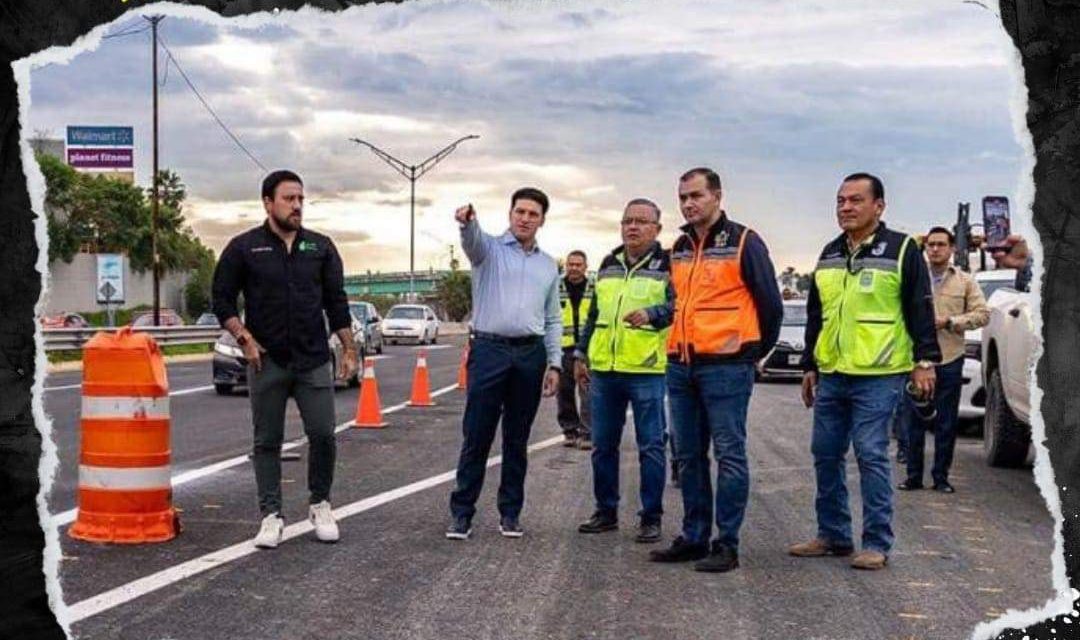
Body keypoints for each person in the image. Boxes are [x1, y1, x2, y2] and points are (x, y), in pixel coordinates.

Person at [790, 173, 940, 570]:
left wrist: (924, 361)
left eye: (855, 200)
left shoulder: (902, 248)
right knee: (825, 453)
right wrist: (810, 365)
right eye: (840, 201)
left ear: (879, 206)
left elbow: (920, 306)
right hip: (833, 373)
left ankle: (876, 543)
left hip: (880, 373)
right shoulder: (829, 252)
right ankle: (833, 535)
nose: (846, 208)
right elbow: (816, 315)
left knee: (871, 453)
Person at [212, 169, 358, 549]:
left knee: (324, 433)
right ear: (267, 203)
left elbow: (336, 302)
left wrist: (349, 349)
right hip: (267, 361)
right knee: (267, 441)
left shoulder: (321, 247)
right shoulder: (244, 248)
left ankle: (320, 504)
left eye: (300, 200)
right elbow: (221, 299)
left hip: (312, 360)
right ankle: (271, 516)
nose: (297, 206)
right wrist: (243, 337)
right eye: (289, 199)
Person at [648, 168, 783, 573]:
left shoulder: (743, 241)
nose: (689, 204)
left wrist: (754, 352)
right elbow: (677, 303)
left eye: (696, 196)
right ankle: (694, 536)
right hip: (682, 365)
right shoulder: (680, 247)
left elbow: (770, 304)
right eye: (683, 197)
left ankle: (726, 543)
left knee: (729, 454)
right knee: (687, 455)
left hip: (726, 367)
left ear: (717, 196)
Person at [446, 188, 562, 540]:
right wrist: (467, 222)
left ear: (542, 219)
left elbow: (553, 318)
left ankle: (510, 514)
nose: (525, 219)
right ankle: (461, 514)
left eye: (533, 214)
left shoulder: (547, 265)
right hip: (489, 351)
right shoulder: (489, 251)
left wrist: (554, 364)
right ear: (510, 214)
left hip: (530, 355)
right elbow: (472, 241)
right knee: (477, 434)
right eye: (520, 212)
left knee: (517, 438)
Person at [574, 198, 674, 543]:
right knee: (602, 445)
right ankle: (606, 511)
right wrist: (581, 354)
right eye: (627, 221)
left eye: (641, 222)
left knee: (651, 447)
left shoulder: (669, 264)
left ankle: (651, 517)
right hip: (605, 370)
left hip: (646, 369)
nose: (632, 227)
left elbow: (680, 307)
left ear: (657, 229)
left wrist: (653, 314)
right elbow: (593, 314)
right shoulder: (608, 263)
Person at [898, 227, 989, 493]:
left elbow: (982, 314)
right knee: (913, 420)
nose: (935, 249)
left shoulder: (964, 281)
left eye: (941, 245)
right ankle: (913, 476)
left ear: (952, 249)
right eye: (931, 245)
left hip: (950, 358)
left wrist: (950, 322)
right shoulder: (914, 278)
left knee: (946, 422)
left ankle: (941, 477)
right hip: (915, 359)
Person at [557, 250, 593, 450]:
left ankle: (587, 433)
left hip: (587, 349)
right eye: (571, 264)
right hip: (563, 348)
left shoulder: (594, 288)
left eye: (579, 265)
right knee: (564, 392)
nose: (574, 268)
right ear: (566, 266)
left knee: (587, 391)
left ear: (585, 267)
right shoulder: (556, 288)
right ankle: (570, 430)